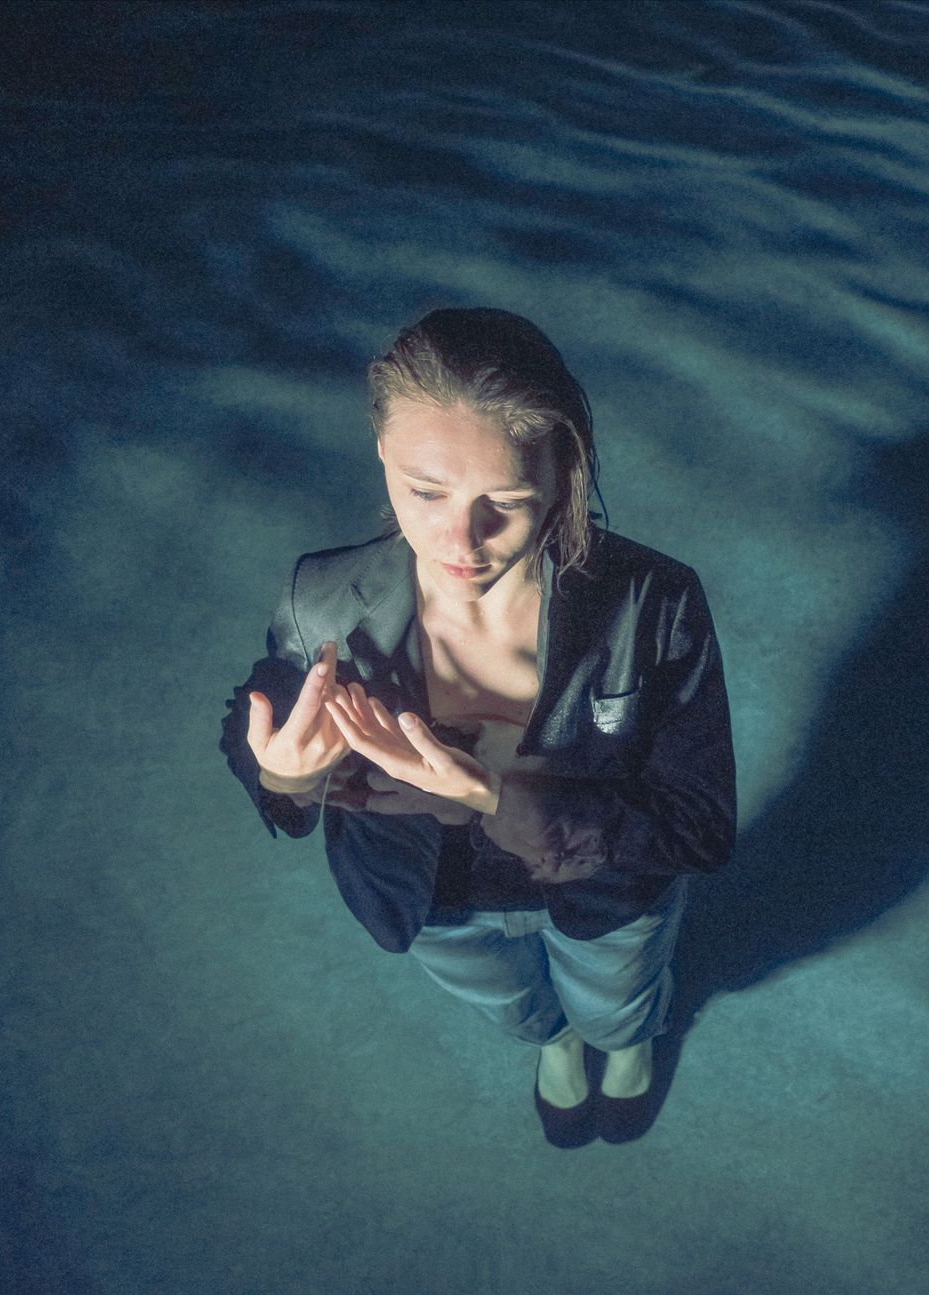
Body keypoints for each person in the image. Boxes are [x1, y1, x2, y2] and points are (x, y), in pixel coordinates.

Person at [218, 307, 736, 1147]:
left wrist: (495, 796)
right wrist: (282, 773)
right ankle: (558, 1042)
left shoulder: (653, 600)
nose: (461, 539)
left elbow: (701, 826)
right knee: (516, 1005)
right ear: (382, 452)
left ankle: (622, 1038)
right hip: (432, 898)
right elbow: (252, 725)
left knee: (620, 997)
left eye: (508, 501)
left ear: (564, 473)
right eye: (425, 491)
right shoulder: (320, 595)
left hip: (606, 889)